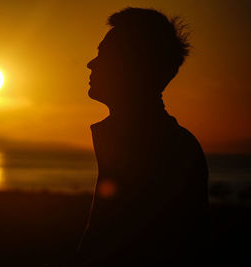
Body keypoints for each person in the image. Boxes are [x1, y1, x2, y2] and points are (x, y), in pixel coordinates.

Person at [75, 7, 211, 266]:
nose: (91, 63)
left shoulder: (163, 148)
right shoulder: (131, 137)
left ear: (133, 68)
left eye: (104, 55)